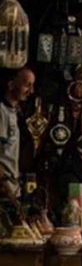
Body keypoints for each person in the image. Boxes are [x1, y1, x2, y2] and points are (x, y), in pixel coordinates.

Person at [0, 67, 33, 200]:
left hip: (13, 190)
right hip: (4, 191)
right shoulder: (1, 112)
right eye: (27, 85)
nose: (31, 91)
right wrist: (6, 188)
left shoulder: (16, 112)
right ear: (11, 85)